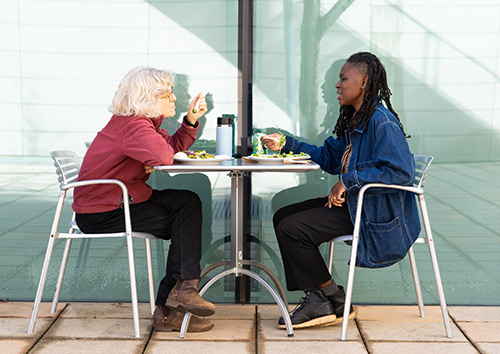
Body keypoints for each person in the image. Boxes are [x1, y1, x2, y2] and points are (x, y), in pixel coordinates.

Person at [262, 52, 421, 329]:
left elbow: (401, 172)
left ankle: (321, 299)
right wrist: (287, 143)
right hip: (357, 205)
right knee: (283, 214)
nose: (337, 85)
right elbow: (330, 158)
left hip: (373, 214)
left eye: (343, 78)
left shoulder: (380, 121)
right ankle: (329, 297)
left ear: (364, 82)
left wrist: (349, 181)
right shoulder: (357, 120)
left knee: (292, 228)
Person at [72, 66, 215, 333]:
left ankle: (180, 293)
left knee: (187, 202)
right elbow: (163, 157)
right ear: (149, 97)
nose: (174, 99)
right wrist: (154, 157)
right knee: (184, 220)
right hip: (102, 211)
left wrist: (191, 120)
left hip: (120, 200)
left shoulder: (138, 122)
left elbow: (169, 147)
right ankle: (173, 301)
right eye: (168, 94)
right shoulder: (135, 125)